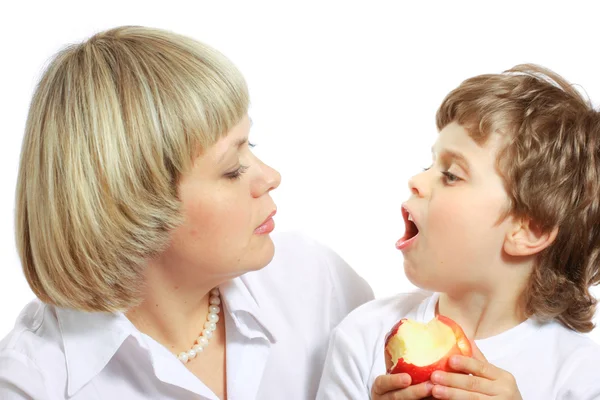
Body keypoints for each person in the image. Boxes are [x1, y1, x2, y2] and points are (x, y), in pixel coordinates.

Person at [0, 26, 373, 400]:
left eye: (251, 144)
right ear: (133, 205)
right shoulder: (34, 383)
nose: (271, 177)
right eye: (232, 168)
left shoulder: (317, 283)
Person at [316, 65, 600, 399]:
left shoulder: (581, 377)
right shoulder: (364, 336)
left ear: (529, 230)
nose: (417, 181)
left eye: (450, 174)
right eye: (429, 166)